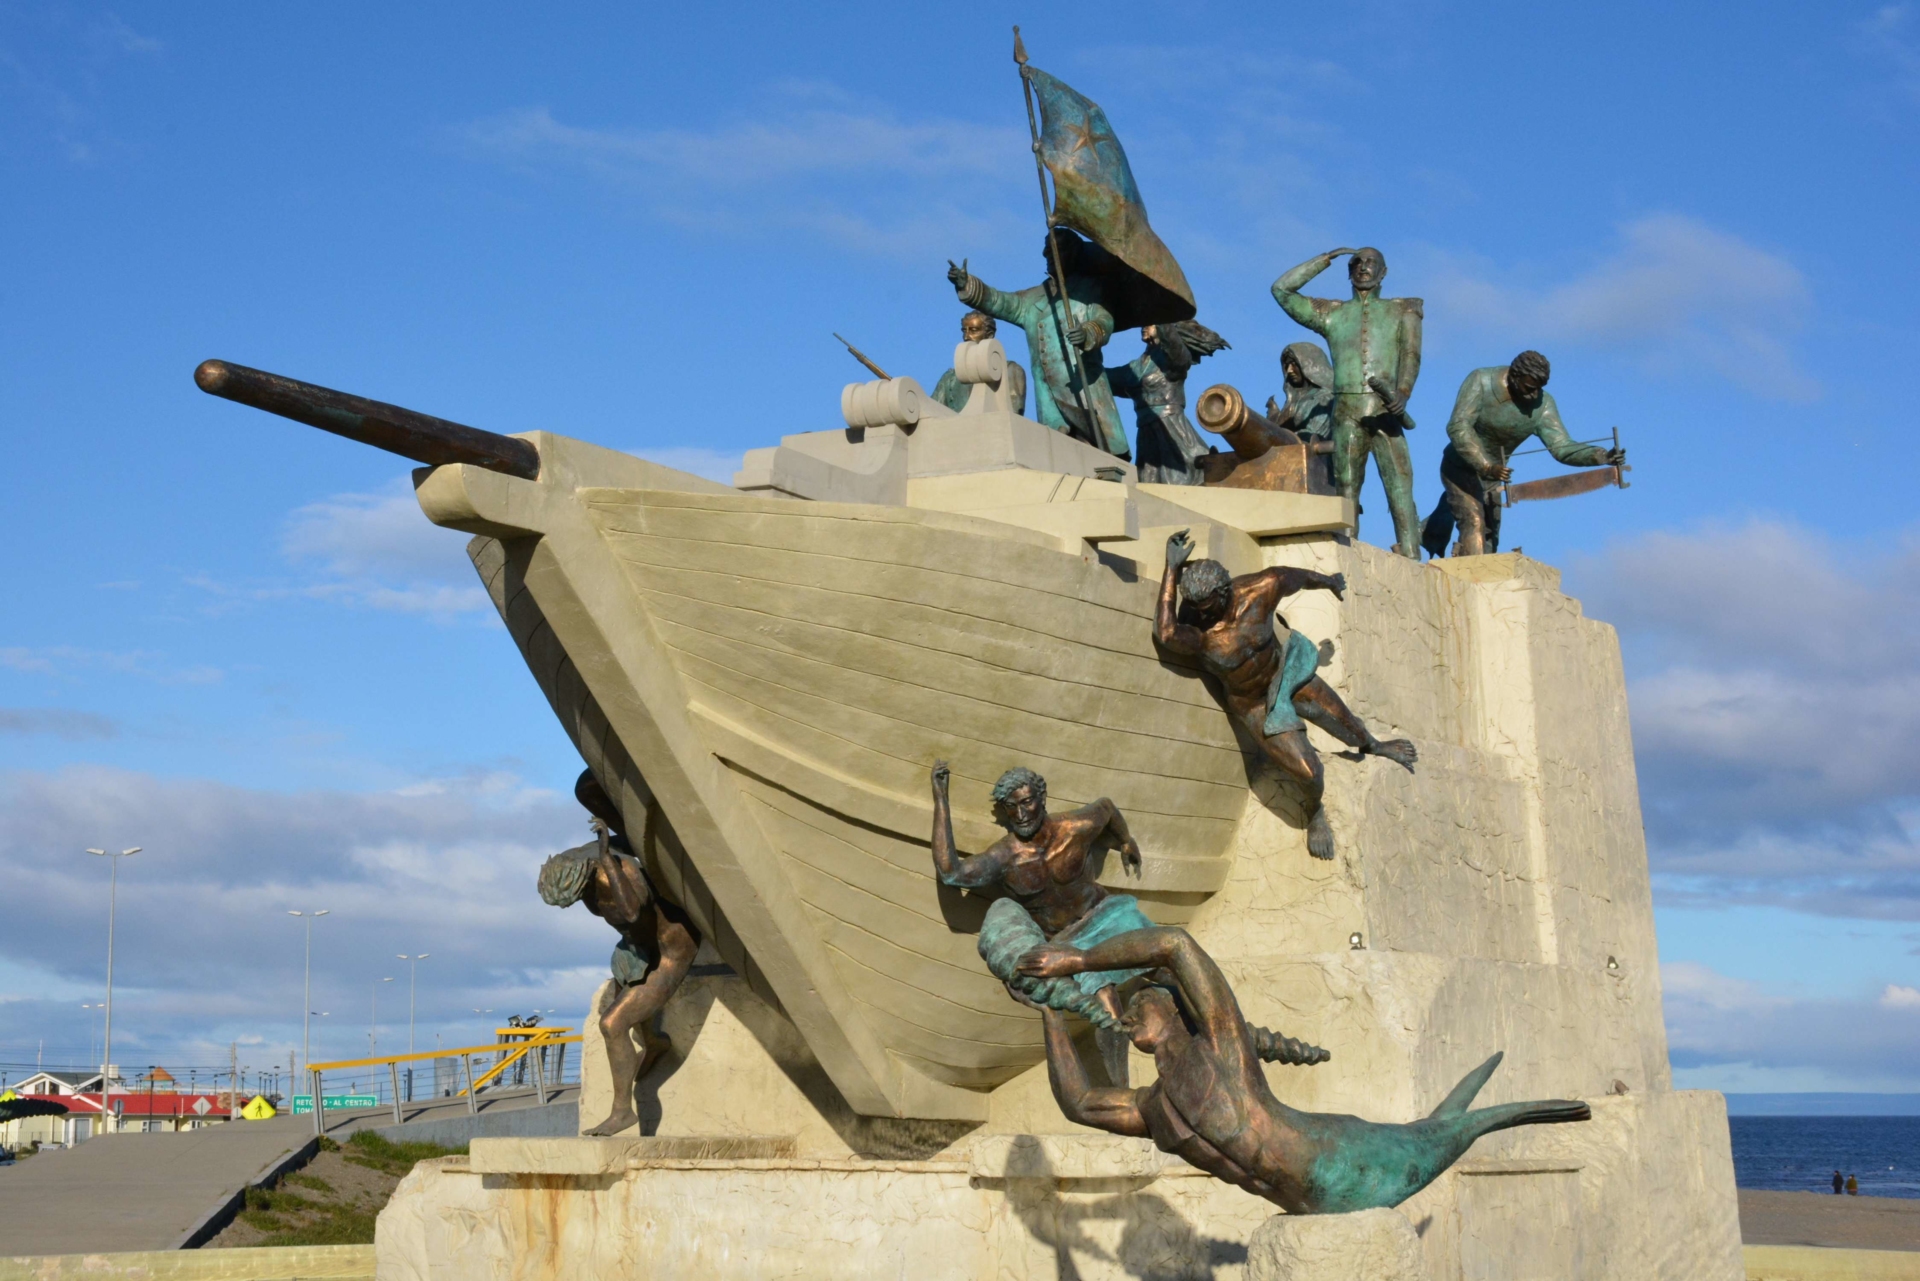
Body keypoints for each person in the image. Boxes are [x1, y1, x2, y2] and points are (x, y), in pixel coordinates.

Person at [1013, 925, 1590, 1213]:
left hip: (1347, 1161)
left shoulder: (1222, 1050)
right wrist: (1049, 1013)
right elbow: (1081, 1103)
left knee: (1450, 1130)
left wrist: (1079, 958)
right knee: (1446, 1129)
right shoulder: (1154, 1107)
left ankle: (1512, 1112)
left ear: (1174, 1006)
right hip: (1306, 1206)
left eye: (1145, 997)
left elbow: (1174, 944)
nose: (1133, 1008)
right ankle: (1474, 1118)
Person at [1153, 530, 1416, 860]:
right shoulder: (1198, 633)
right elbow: (1165, 632)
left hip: (1287, 672)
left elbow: (1299, 577)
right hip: (1254, 703)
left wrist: (1330, 581)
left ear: (1225, 590)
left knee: (1348, 726)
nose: (1200, 615)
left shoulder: (1260, 589)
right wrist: (1171, 569)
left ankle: (1374, 745)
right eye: (1194, 608)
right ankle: (1315, 812)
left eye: (1207, 607)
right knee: (1308, 771)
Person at [537, 770, 700, 1137]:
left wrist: (608, 857)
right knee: (622, 985)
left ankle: (622, 1111)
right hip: (639, 950)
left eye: (571, 899)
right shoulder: (581, 859)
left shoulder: (612, 872)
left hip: (671, 952)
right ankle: (655, 1042)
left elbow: (630, 912)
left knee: (612, 1023)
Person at [929, 763, 1145, 1030]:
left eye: (1027, 802)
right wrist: (941, 799)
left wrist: (1126, 840)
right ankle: (1120, 1069)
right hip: (1064, 941)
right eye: (1011, 806)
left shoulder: (1075, 827)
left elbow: (1107, 808)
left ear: (1042, 798)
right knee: (1106, 1002)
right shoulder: (1005, 857)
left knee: (1162, 958)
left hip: (1106, 914)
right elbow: (951, 873)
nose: (1020, 814)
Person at [1271, 247, 1423, 557]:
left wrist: (1403, 394)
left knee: (1400, 486)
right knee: (1347, 487)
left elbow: (1411, 355)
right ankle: (1346, 552)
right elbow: (1282, 290)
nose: (1363, 268)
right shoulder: (1332, 313)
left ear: (1383, 272)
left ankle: (1410, 552)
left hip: (1385, 410)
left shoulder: (1402, 310)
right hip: (1346, 412)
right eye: (1356, 263)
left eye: (1371, 263)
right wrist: (1325, 259)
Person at [1419, 350, 1627, 558]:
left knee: (1490, 536)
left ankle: (1425, 533)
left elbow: (1561, 447)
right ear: (1513, 375)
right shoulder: (1481, 381)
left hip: (1494, 478)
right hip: (1460, 466)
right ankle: (1468, 581)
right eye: (1529, 388)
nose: (1533, 395)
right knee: (1474, 523)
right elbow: (1458, 426)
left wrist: (1601, 456)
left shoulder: (1543, 405)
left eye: (1538, 389)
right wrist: (1485, 465)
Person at [947, 230, 1128, 457]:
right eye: (1047, 251)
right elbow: (998, 301)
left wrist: (1088, 333)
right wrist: (967, 284)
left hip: (1083, 387)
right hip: (1048, 394)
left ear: (1073, 254)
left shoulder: (1091, 289)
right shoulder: (1033, 298)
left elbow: (1104, 321)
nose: (1049, 256)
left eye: (1056, 250)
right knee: (1059, 454)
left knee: (1101, 454)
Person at [1109, 321, 1230, 484]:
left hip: (1171, 429)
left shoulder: (1175, 357)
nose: (1144, 326)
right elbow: (1108, 378)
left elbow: (1173, 345)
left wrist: (1161, 313)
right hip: (1146, 432)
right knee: (1148, 485)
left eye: (1150, 323)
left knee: (1180, 480)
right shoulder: (1138, 365)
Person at [931, 310, 1028, 416]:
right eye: (964, 331)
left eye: (973, 330)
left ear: (989, 335)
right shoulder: (949, 379)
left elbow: (1014, 417)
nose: (966, 337)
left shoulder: (1010, 370)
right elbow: (933, 414)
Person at [1264, 341, 1336, 444]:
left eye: (1294, 364)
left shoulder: (1325, 399)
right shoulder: (1292, 402)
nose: (1289, 370)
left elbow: (1312, 437)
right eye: (1287, 366)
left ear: (1310, 365)